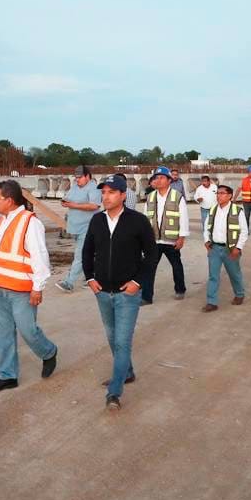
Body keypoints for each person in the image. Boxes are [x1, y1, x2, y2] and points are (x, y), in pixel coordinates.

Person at [82, 174, 158, 410]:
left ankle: (114, 392)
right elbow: (87, 252)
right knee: (113, 338)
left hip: (127, 294)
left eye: (111, 192)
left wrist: (137, 281)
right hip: (103, 293)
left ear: (123, 195)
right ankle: (127, 372)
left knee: (122, 343)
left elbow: (152, 255)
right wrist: (90, 279)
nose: (106, 197)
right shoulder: (96, 221)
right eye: (103, 192)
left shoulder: (138, 221)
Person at [0, 180, 59, 393]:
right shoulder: (1, 221)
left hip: (22, 291)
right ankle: (7, 376)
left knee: (28, 331)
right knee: (3, 333)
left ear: (9, 200)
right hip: (0, 288)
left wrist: (38, 287)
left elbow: (40, 257)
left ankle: (49, 352)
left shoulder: (30, 223)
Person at [141, 166, 189, 303]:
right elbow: (145, 219)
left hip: (171, 241)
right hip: (154, 240)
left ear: (169, 181)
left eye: (162, 177)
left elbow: (183, 217)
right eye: (157, 178)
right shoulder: (150, 197)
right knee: (149, 268)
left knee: (176, 266)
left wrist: (182, 237)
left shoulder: (177, 196)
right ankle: (146, 297)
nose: (159, 180)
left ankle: (180, 289)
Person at [201, 185, 248, 312]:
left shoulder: (237, 211)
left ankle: (239, 294)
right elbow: (206, 228)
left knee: (234, 274)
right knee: (213, 276)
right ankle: (212, 302)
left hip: (230, 249)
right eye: (218, 193)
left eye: (222, 193)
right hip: (214, 248)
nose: (219, 195)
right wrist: (206, 241)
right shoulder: (212, 210)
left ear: (229, 196)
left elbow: (244, 231)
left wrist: (238, 247)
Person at [56, 165, 101, 292]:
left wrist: (73, 205)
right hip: (75, 228)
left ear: (87, 176)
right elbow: (68, 198)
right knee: (89, 254)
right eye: (76, 178)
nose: (77, 180)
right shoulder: (75, 186)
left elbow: (94, 206)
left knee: (80, 255)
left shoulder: (94, 188)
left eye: (80, 178)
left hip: (89, 227)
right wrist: (64, 202)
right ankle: (92, 277)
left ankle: (68, 283)